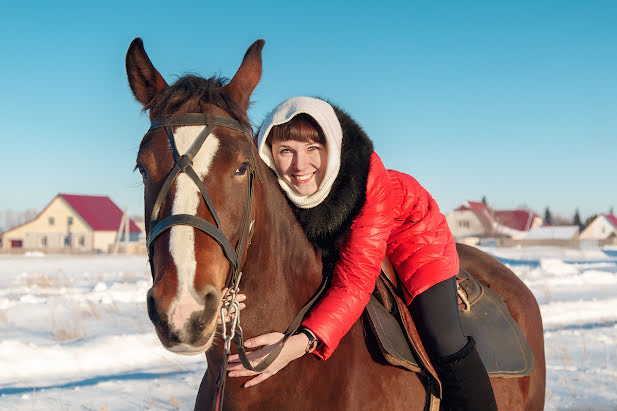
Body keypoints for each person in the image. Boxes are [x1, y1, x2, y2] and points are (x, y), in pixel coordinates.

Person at [227, 97, 497, 410]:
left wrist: (299, 344)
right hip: (340, 242)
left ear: (331, 147)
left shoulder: (366, 181)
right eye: (287, 150)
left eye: (313, 149)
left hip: (408, 231)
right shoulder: (268, 183)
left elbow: (356, 280)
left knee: (443, 335)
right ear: (269, 153)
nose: (300, 165)